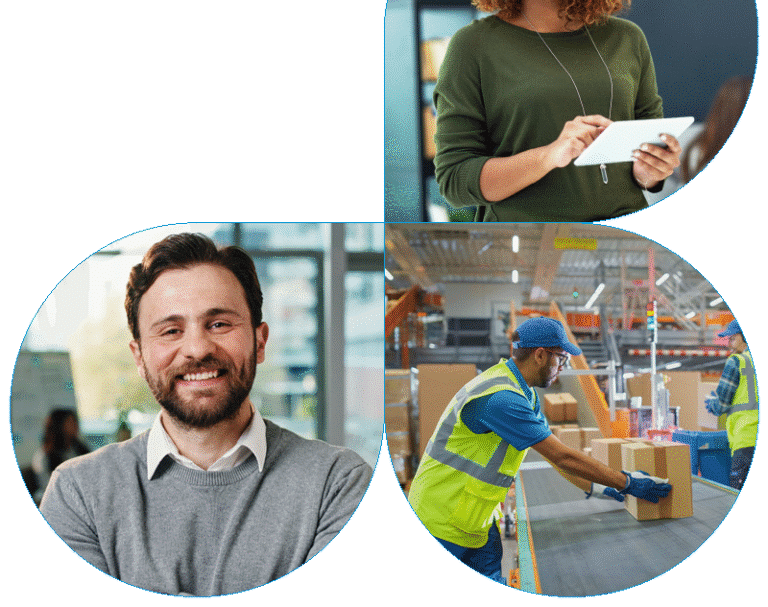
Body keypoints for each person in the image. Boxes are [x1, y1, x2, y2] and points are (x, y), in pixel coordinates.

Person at [39, 233, 372, 596]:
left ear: (259, 342)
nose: (197, 349)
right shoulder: (78, 493)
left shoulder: (338, 484)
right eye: (171, 330)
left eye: (219, 324)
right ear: (139, 357)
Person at [433, 0, 682, 222]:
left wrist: (653, 171)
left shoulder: (627, 39)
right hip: (526, 247)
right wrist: (550, 155)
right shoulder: (472, 46)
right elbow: (455, 180)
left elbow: (643, 164)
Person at [408, 317, 671, 585]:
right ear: (540, 355)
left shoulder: (526, 395)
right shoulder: (501, 398)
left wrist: (604, 489)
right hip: (439, 523)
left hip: (476, 520)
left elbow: (555, 456)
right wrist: (627, 483)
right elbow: (562, 456)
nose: (562, 367)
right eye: (561, 359)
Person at [705, 320, 758, 490]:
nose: (729, 345)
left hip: (747, 440)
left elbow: (721, 405)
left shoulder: (737, 361)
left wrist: (713, 404)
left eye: (732, 339)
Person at [31, 408, 91, 504]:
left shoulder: (78, 448)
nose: (76, 426)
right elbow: (49, 488)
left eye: (75, 421)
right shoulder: (43, 457)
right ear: (58, 426)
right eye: (71, 422)